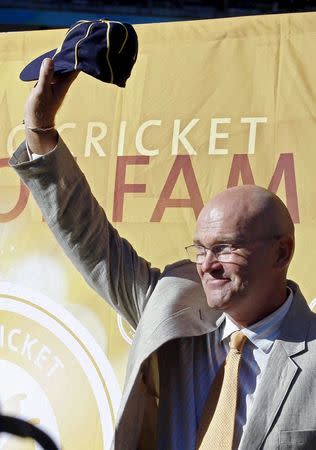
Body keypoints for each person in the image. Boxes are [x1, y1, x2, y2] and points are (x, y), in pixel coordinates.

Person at [10, 58, 316, 450]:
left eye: (225, 248)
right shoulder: (172, 307)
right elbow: (90, 239)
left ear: (282, 252)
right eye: (201, 249)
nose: (207, 265)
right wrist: (40, 130)